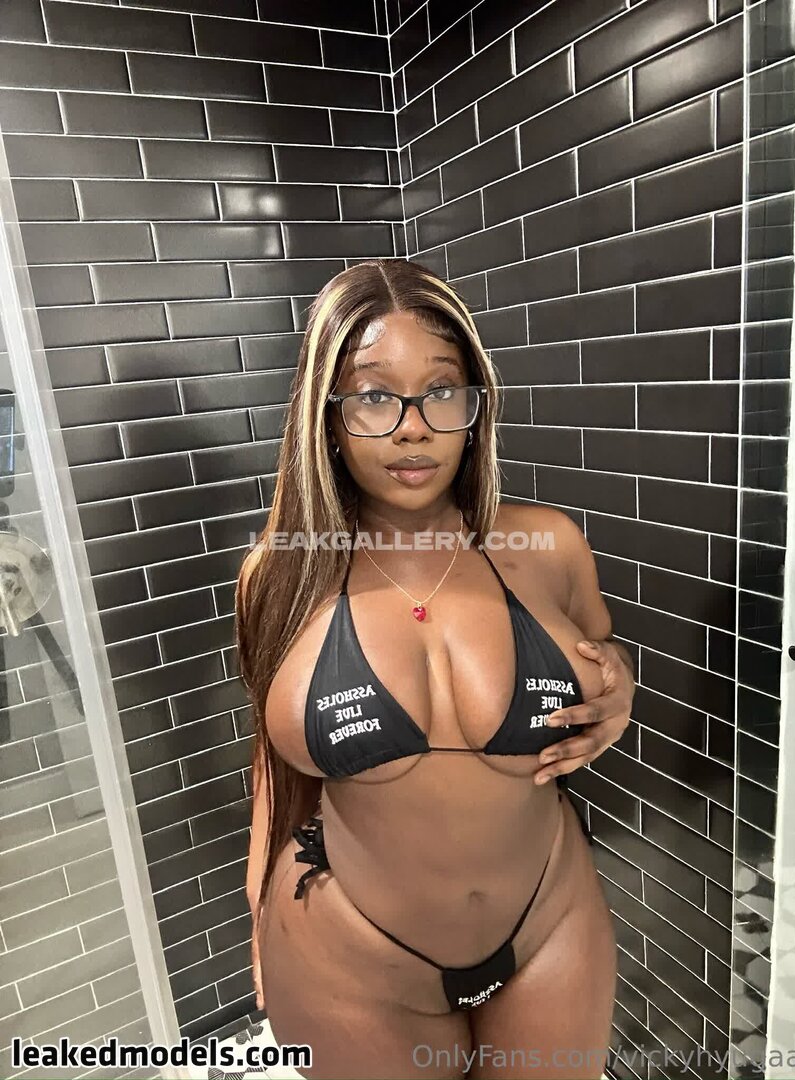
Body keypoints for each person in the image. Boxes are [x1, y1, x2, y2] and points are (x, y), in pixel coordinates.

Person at [234, 258, 636, 1080]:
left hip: (549, 926)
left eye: (441, 390)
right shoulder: (282, 575)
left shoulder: (548, 544)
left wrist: (619, 689)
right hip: (351, 959)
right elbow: (274, 765)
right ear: (327, 416)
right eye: (374, 396)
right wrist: (255, 914)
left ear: (475, 407)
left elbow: (601, 652)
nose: (412, 428)